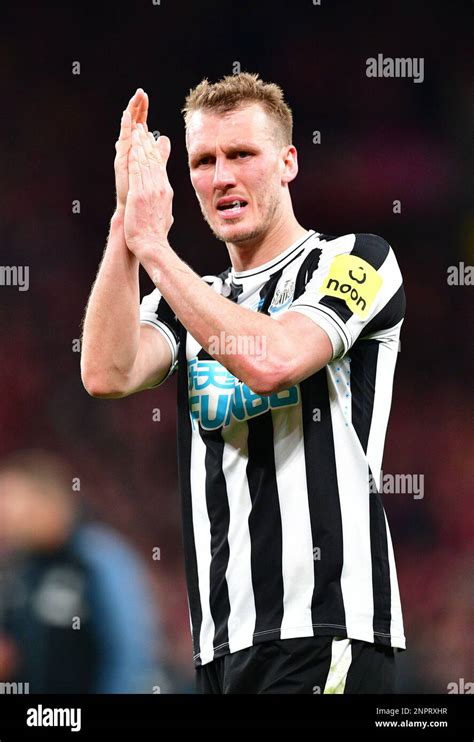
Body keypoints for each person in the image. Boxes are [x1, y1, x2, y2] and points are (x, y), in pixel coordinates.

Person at [81, 72, 406, 694]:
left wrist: (156, 250)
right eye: (203, 160)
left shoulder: (356, 260)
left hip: (326, 630)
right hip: (220, 644)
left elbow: (275, 359)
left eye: (241, 155)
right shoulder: (191, 298)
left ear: (287, 162)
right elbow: (106, 371)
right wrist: (127, 224)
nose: (222, 176)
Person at [0, 449, 168, 693]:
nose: (6, 514)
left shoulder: (98, 557)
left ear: (48, 498)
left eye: (12, 499)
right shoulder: (15, 569)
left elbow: (132, 652)